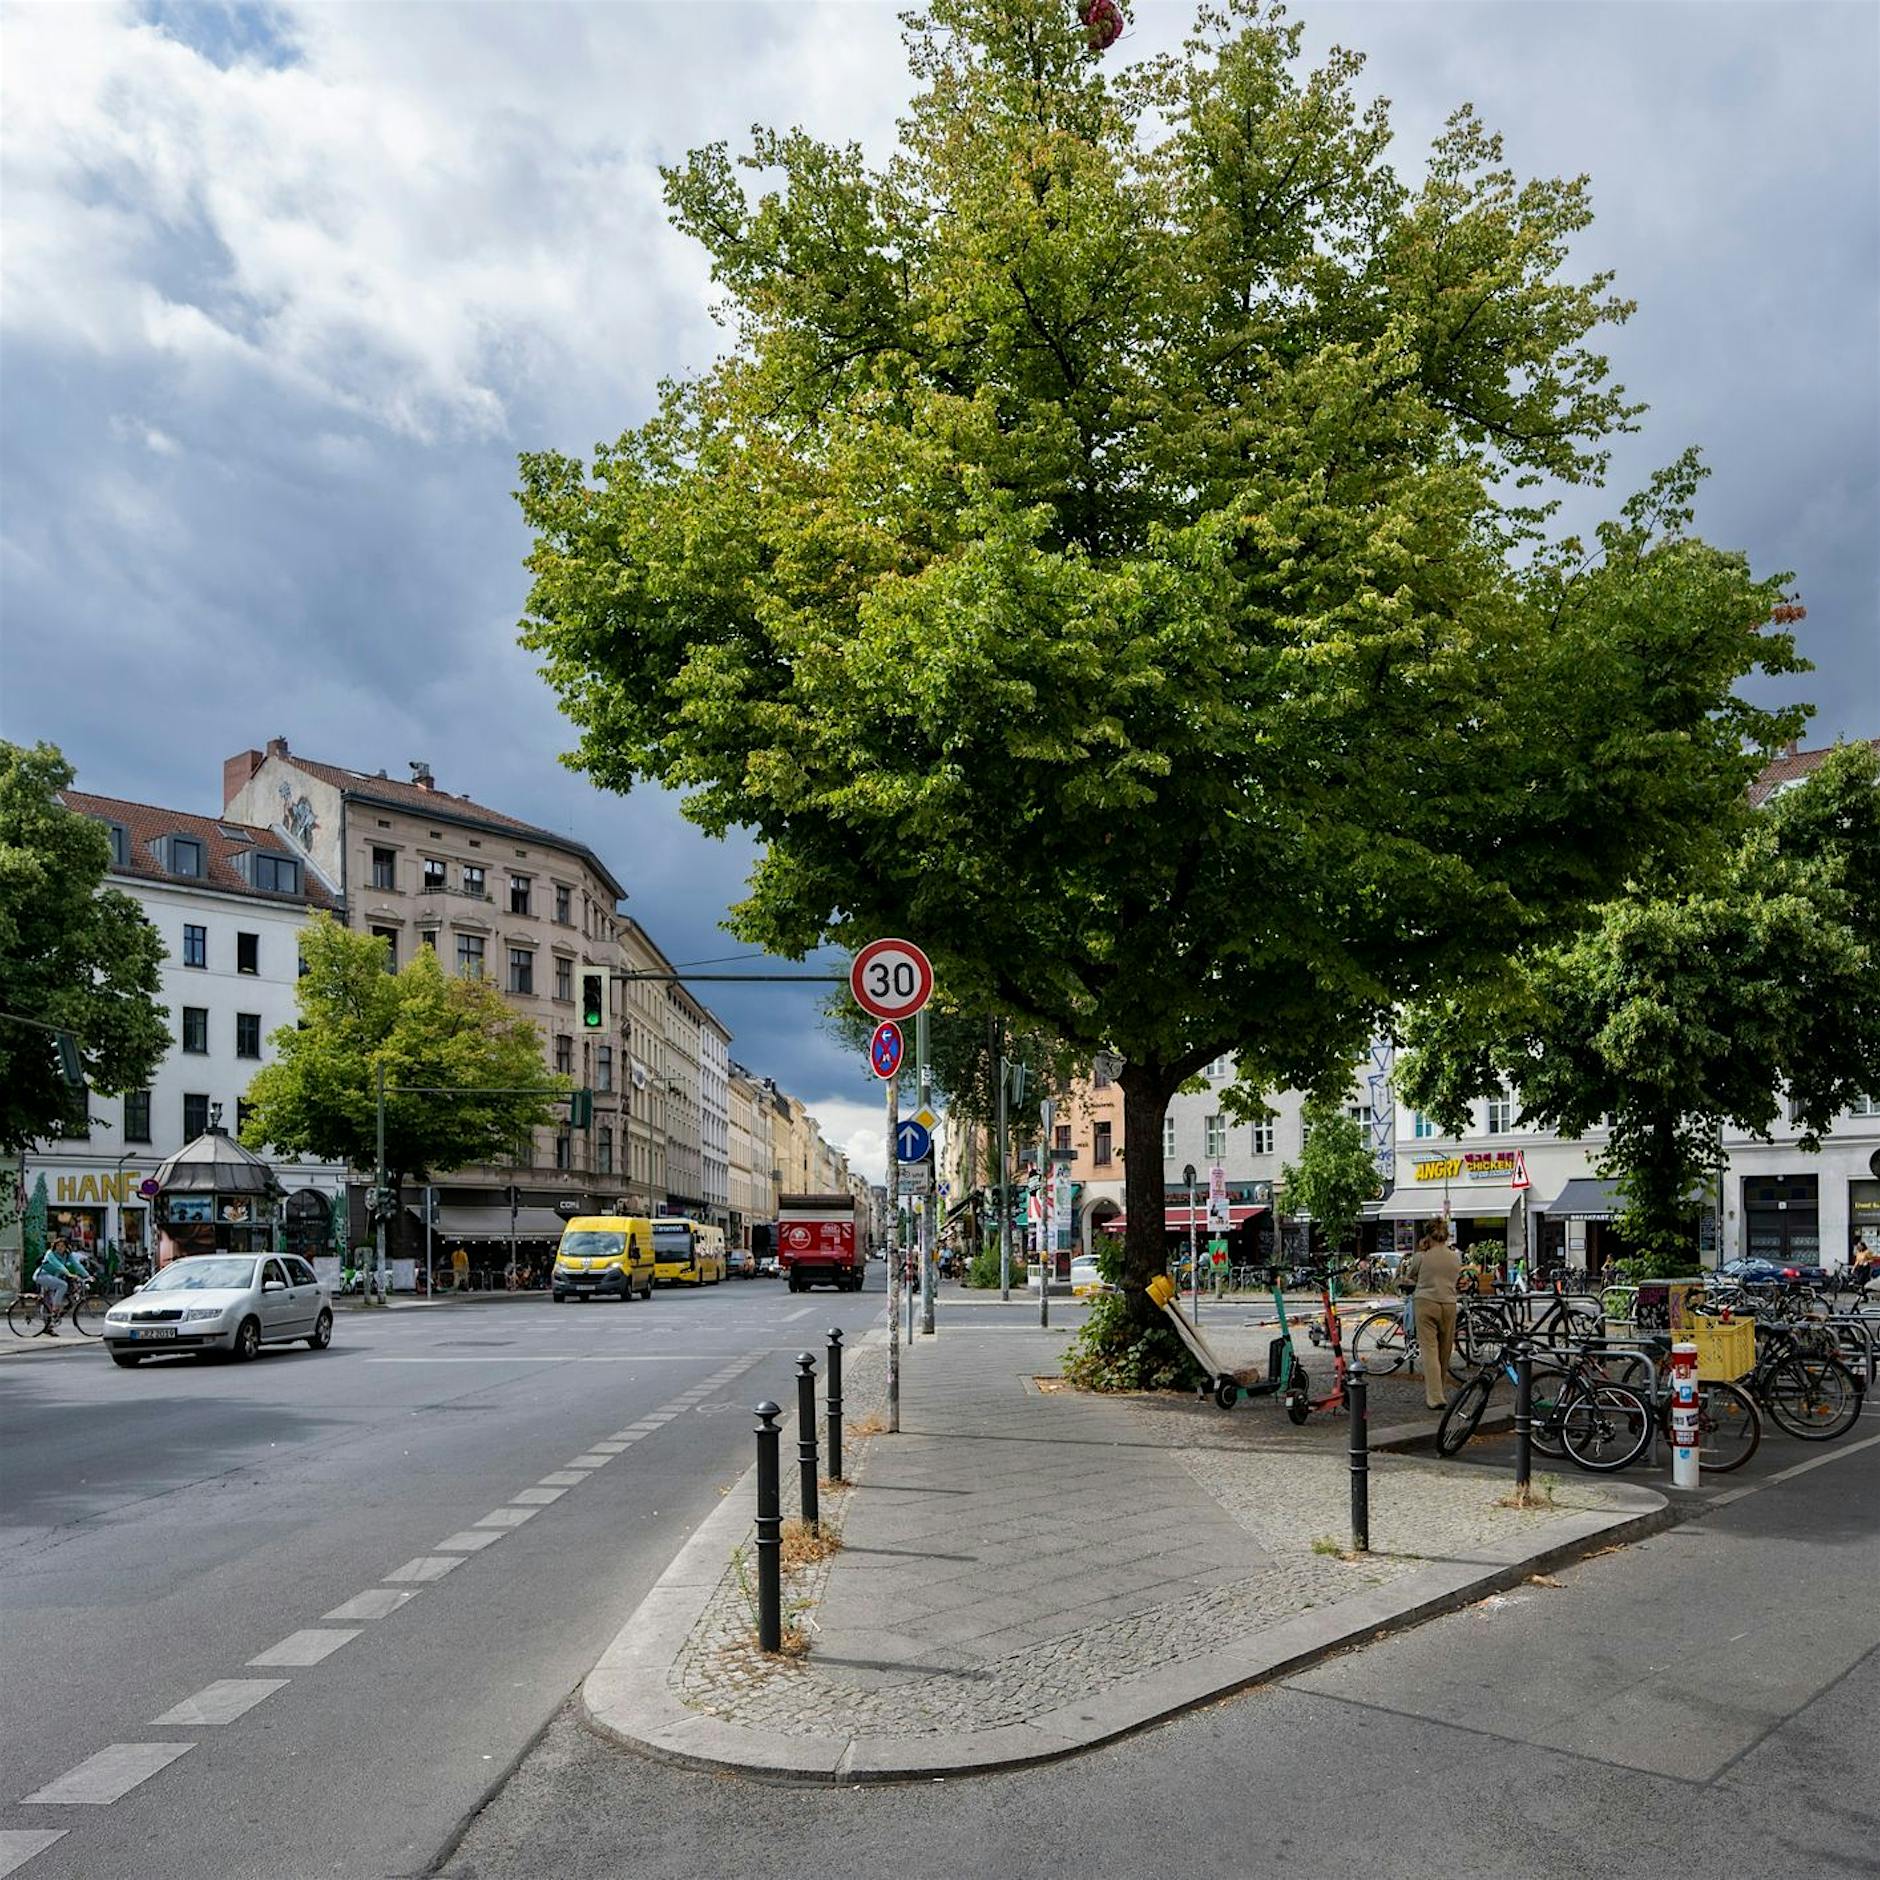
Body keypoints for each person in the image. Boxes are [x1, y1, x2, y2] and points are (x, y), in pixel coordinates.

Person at [1400, 1220, 1463, 1411]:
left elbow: (1409, 1276)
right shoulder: (1455, 1257)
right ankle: (1440, 1390)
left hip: (1426, 1303)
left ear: (1427, 1236)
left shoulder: (1421, 1257)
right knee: (1445, 1351)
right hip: (1449, 1304)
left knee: (1429, 1351)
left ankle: (1435, 1397)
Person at [33, 1238, 90, 1334]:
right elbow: (58, 1265)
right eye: (58, 1246)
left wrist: (87, 1275)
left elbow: (77, 1265)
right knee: (62, 1285)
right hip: (42, 1276)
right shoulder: (50, 1254)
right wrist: (68, 1273)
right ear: (54, 1247)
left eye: (62, 1246)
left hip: (53, 1277)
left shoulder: (67, 1255)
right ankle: (55, 1310)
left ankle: (48, 1326)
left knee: (48, 1300)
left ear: (66, 1247)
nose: (60, 1248)